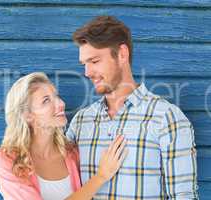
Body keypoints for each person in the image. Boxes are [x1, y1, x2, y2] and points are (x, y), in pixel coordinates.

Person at [66, 15, 199, 199]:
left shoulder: (166, 118)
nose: (87, 73)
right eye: (84, 64)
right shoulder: (81, 121)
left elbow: (184, 196)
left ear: (122, 54)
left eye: (95, 61)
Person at [0, 72, 128, 200]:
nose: (61, 104)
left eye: (56, 96)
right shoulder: (7, 163)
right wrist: (101, 177)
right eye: (46, 100)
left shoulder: (72, 154)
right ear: (27, 116)